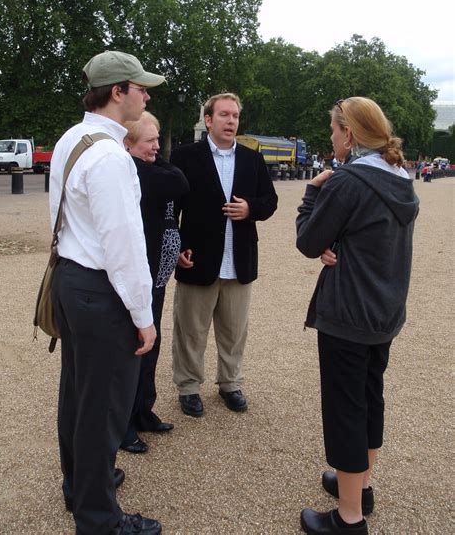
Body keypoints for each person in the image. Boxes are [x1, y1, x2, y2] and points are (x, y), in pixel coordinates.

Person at [50, 51, 165, 535]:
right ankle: (99, 519)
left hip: (71, 280)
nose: (146, 93)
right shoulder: (111, 157)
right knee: (103, 406)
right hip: (101, 290)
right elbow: (124, 246)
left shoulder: (71, 139)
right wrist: (144, 313)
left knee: (78, 392)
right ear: (117, 91)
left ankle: (82, 484)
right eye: (139, 86)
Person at [296, 97, 419, 535]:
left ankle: (349, 518)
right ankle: (360, 487)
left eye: (333, 130)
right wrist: (342, 244)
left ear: (348, 134)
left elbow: (309, 241)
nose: (331, 138)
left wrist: (312, 193)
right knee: (369, 399)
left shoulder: (349, 181)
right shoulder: (401, 177)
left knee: (346, 408)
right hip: (384, 310)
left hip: (348, 311)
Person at [170, 92, 278, 417]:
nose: (231, 121)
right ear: (208, 120)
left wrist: (250, 209)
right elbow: (170, 209)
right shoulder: (185, 157)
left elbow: (270, 201)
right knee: (191, 330)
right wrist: (174, 248)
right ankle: (188, 387)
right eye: (224, 115)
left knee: (234, 331)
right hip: (197, 258)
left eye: (235, 116)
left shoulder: (251, 159)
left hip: (239, 259)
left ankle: (230, 383)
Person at [120, 113, 189, 454]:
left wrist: (153, 156)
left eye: (158, 140)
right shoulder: (133, 172)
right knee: (133, 348)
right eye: (150, 141)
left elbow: (176, 185)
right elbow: (178, 183)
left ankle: (143, 411)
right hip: (139, 273)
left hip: (157, 274)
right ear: (128, 144)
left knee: (152, 345)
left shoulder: (151, 167)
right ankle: (123, 425)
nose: (157, 147)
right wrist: (159, 164)